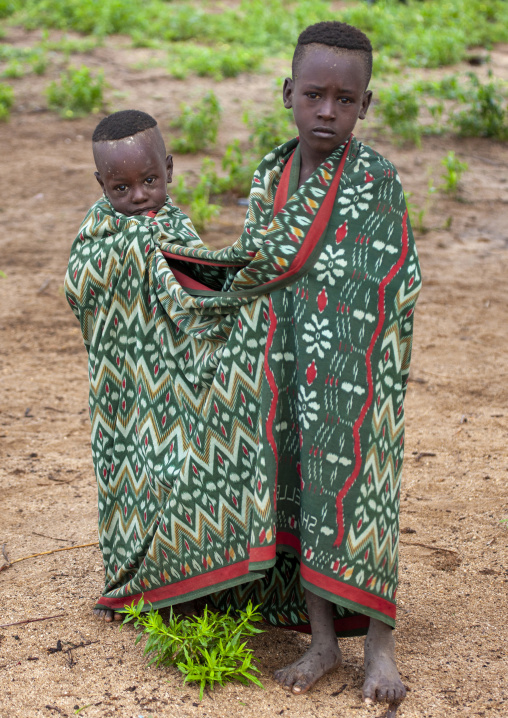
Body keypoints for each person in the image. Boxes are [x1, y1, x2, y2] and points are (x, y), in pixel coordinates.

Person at [65, 21, 420, 709]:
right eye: (313, 94)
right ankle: (320, 641)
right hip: (285, 368)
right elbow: (257, 269)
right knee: (296, 488)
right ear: (288, 93)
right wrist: (171, 273)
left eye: (344, 99)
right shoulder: (271, 174)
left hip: (355, 374)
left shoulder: (376, 180)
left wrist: (351, 335)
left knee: (358, 495)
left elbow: (393, 275)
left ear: (366, 105)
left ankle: (379, 646)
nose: (327, 111)